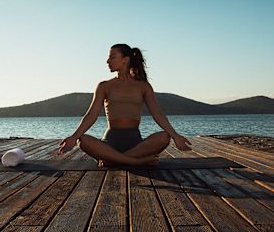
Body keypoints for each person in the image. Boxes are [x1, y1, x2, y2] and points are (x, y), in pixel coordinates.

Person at [58, 43, 192, 166]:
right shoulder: (104, 86)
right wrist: (73, 137)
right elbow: (91, 115)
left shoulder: (143, 86)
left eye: (112, 57)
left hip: (135, 143)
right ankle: (135, 162)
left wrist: (176, 136)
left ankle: (113, 160)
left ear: (125, 60)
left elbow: (157, 113)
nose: (107, 61)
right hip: (110, 141)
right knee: (82, 140)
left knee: (164, 137)